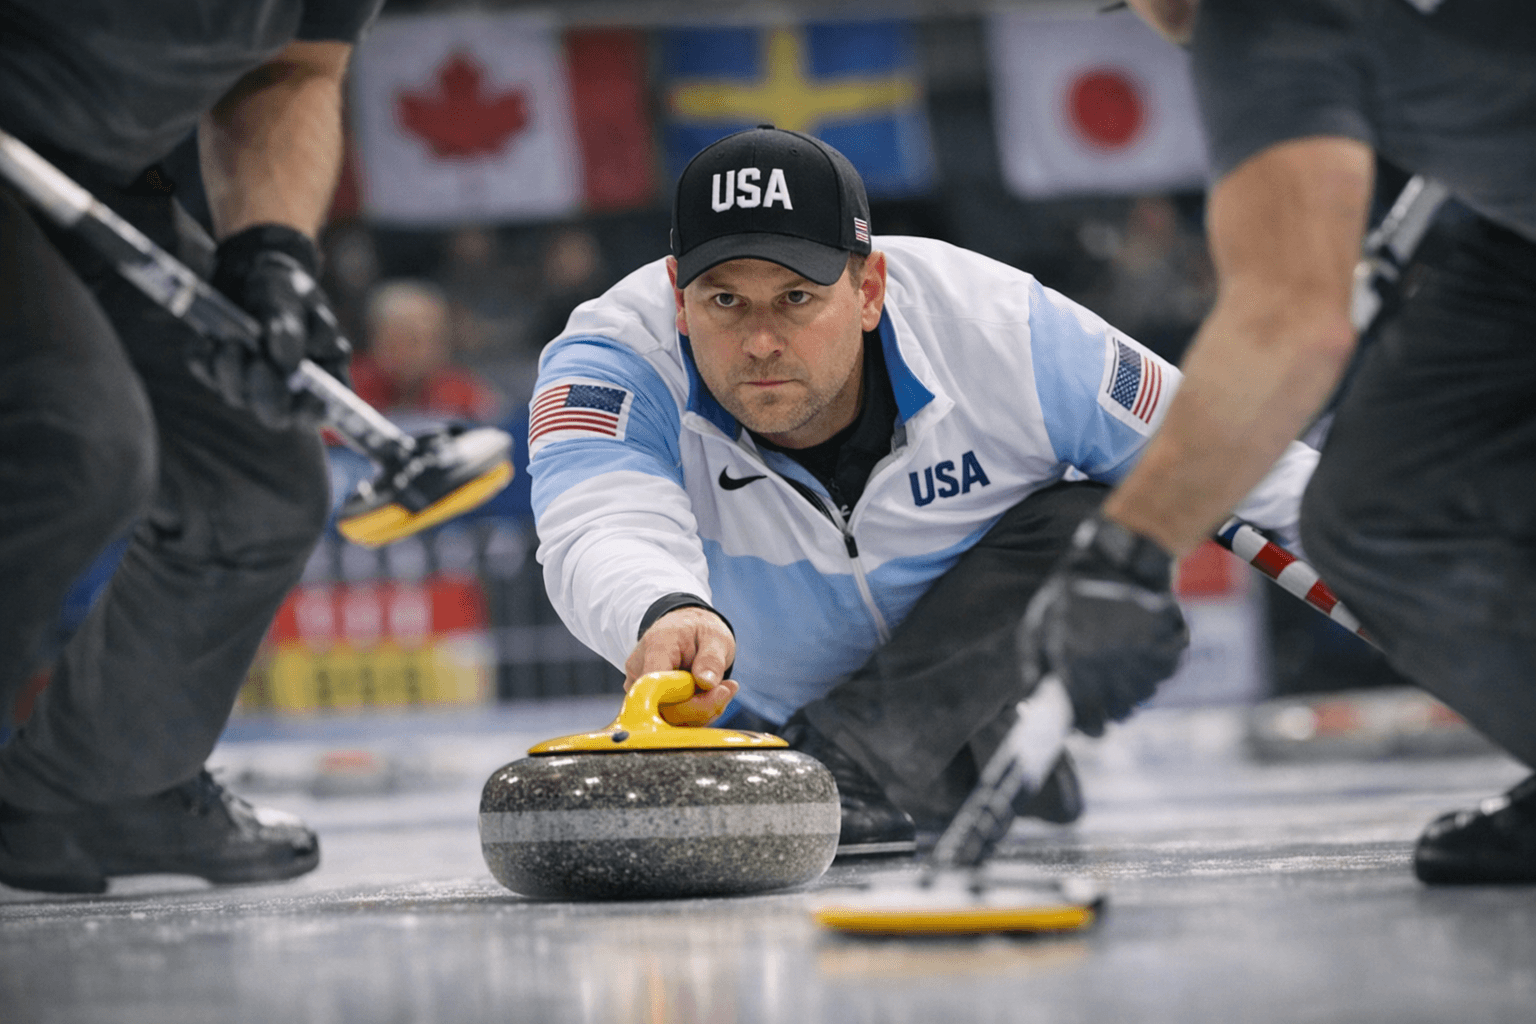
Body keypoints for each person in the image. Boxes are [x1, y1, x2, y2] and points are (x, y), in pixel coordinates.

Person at [527, 126, 1319, 854]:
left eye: (797, 298)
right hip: (756, 713)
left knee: (1092, 528)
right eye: (724, 301)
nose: (760, 341)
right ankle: (928, 763)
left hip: (948, 679)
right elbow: (600, 521)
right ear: (678, 296)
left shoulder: (1005, 330)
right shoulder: (610, 362)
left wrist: (1381, 559)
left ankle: (880, 762)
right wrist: (664, 608)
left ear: (869, 288)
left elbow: (1227, 454)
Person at [1021, 0, 1536, 884]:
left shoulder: (1257, 20)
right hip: (1512, 233)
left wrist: (1124, 554)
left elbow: (1287, 322)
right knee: (1388, 510)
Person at [0, 0, 383, 893]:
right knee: (68, 438)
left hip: (90, 180)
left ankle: (104, 788)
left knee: (258, 480)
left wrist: (271, 253)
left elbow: (295, 68)